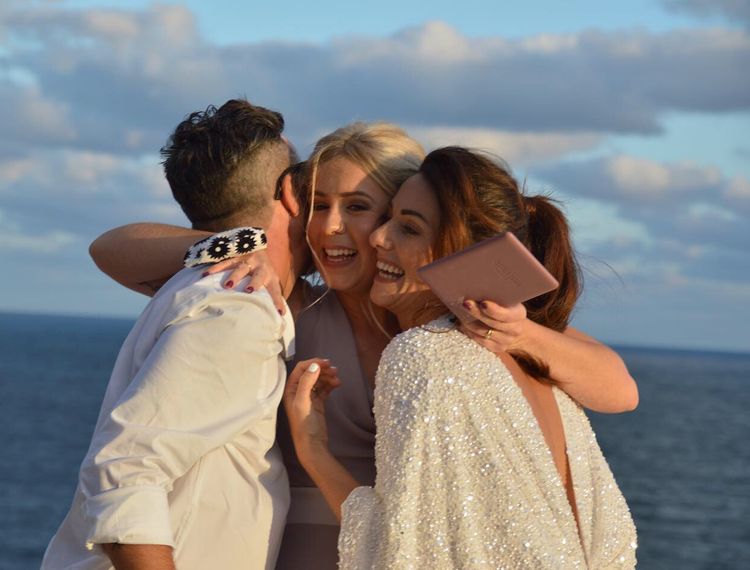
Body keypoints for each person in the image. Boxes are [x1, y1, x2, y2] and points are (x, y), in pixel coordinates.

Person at [88, 126, 638, 568]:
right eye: (319, 205)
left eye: (357, 207)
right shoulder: (289, 306)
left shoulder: (468, 323)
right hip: (301, 552)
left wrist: (517, 332)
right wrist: (238, 242)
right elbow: (110, 250)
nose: (332, 227)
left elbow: (618, 390)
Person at [284, 147, 638, 569]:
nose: (379, 237)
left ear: (466, 253)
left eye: (408, 228)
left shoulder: (424, 356)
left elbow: (396, 552)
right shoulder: (536, 363)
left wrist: (312, 448)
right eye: (387, 218)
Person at [42, 99, 316, 570]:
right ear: (291, 192)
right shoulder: (238, 306)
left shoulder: (197, 279)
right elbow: (125, 470)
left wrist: (240, 241)